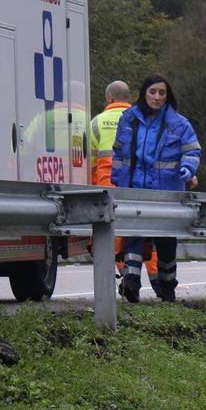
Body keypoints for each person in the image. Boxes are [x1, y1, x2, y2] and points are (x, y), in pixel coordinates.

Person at [111, 74, 200, 303]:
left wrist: (188, 169)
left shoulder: (179, 123)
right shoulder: (128, 119)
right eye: (153, 92)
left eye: (162, 93)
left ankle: (168, 286)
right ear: (144, 93)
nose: (157, 97)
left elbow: (192, 151)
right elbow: (119, 153)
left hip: (166, 191)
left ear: (167, 96)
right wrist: (117, 178)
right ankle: (131, 284)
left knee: (166, 241)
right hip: (134, 189)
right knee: (134, 236)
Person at [90, 80, 160, 281]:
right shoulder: (143, 120)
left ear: (109, 98)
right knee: (145, 232)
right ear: (128, 98)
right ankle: (157, 281)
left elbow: (91, 162)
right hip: (137, 185)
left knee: (113, 234)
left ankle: (126, 277)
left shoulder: (97, 122)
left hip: (106, 187)